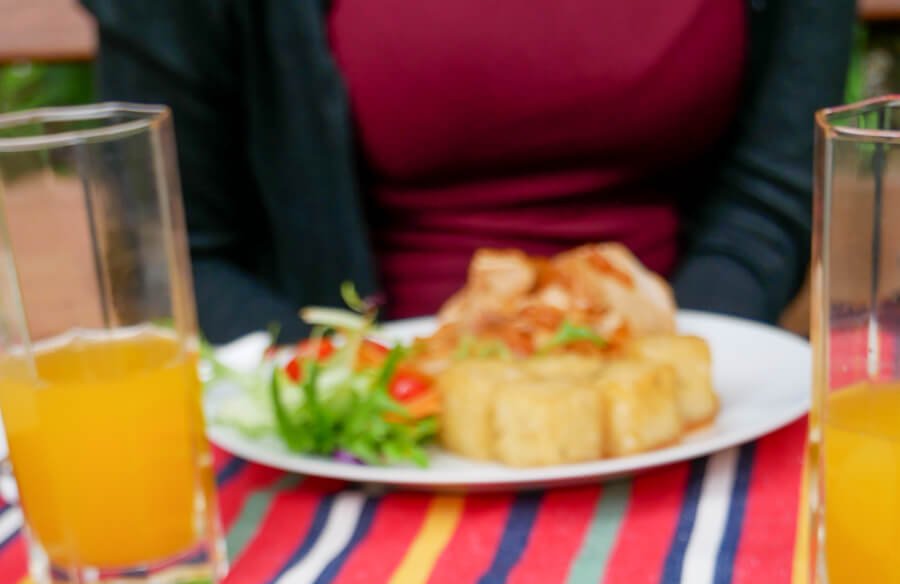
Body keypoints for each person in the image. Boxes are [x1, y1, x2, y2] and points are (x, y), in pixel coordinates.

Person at [82, 0, 855, 344]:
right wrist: (356, 391)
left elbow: (773, 186)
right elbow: (169, 244)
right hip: (342, 447)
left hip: (691, 403)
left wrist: (667, 361)